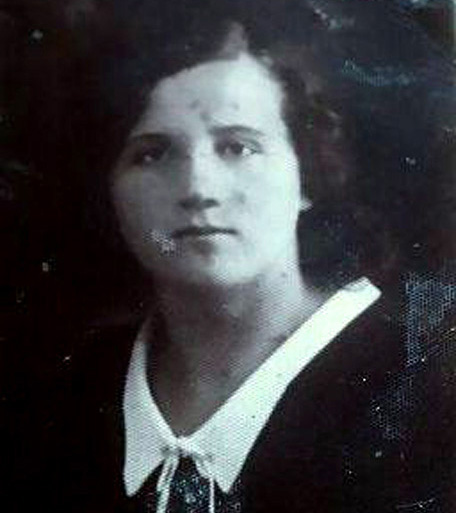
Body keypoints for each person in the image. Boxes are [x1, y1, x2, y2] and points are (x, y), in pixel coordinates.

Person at [5, 1, 447, 512]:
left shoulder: (423, 376)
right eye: (152, 153)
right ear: (109, 191)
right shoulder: (67, 391)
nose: (199, 189)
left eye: (238, 147)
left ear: (308, 172)